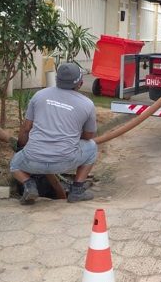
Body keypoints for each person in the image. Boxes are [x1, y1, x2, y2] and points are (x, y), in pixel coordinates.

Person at [10, 62, 98, 204]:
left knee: (14, 164)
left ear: (57, 80)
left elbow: (26, 128)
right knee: (92, 147)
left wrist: (21, 148)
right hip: (65, 161)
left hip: (33, 160)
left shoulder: (39, 95)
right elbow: (88, 136)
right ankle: (76, 191)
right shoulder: (87, 104)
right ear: (80, 83)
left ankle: (29, 185)